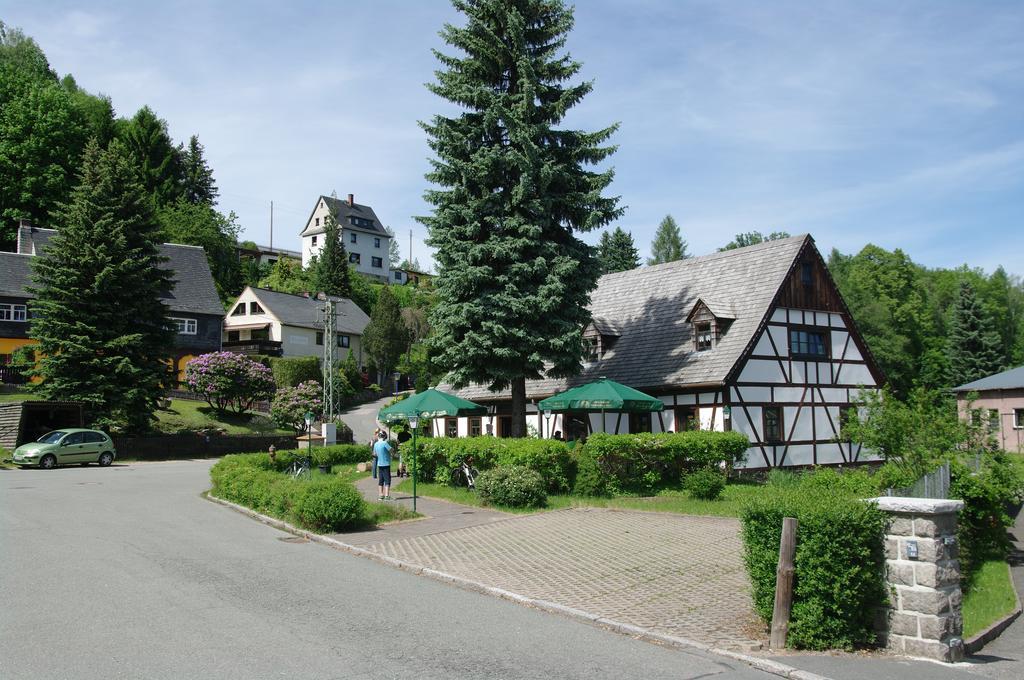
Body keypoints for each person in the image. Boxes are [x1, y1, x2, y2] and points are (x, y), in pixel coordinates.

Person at [373, 431, 393, 501]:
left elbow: (374, 454)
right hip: (386, 464)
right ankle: (387, 496)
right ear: (384, 436)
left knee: (381, 480)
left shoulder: (376, 444)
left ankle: (380, 495)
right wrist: (390, 454)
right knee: (387, 480)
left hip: (379, 464)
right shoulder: (385, 443)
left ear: (379, 436)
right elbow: (391, 450)